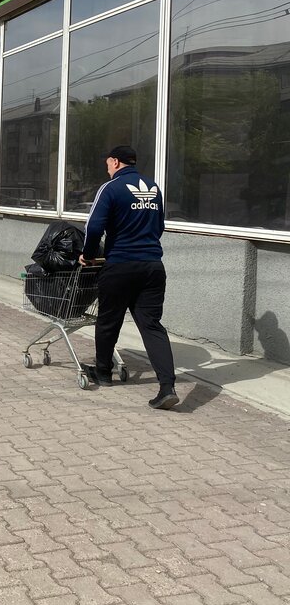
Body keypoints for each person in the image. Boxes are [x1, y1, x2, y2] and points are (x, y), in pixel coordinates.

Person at [79, 145, 178, 410]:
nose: (107, 169)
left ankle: (103, 372)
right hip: (152, 267)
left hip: (120, 265)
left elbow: (94, 227)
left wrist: (87, 254)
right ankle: (167, 387)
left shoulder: (111, 188)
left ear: (115, 162)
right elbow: (159, 226)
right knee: (151, 325)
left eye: (107, 164)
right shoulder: (153, 188)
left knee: (108, 320)